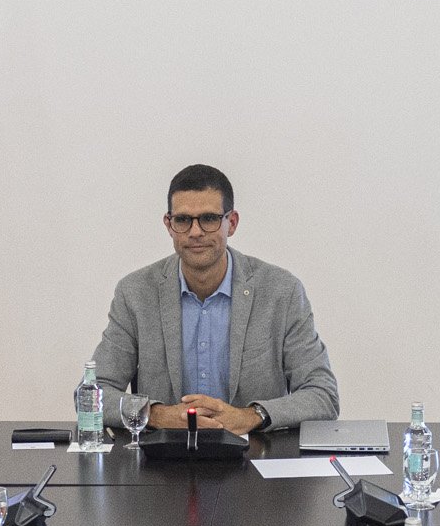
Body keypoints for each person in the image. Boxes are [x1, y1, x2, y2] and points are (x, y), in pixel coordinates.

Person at [90, 163, 339, 434]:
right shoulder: (135, 293)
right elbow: (93, 396)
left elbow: (323, 395)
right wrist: (157, 414)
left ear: (231, 223)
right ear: (169, 225)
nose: (195, 232)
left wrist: (252, 416)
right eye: (183, 220)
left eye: (208, 219)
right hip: (163, 464)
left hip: (255, 461)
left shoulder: (281, 291)